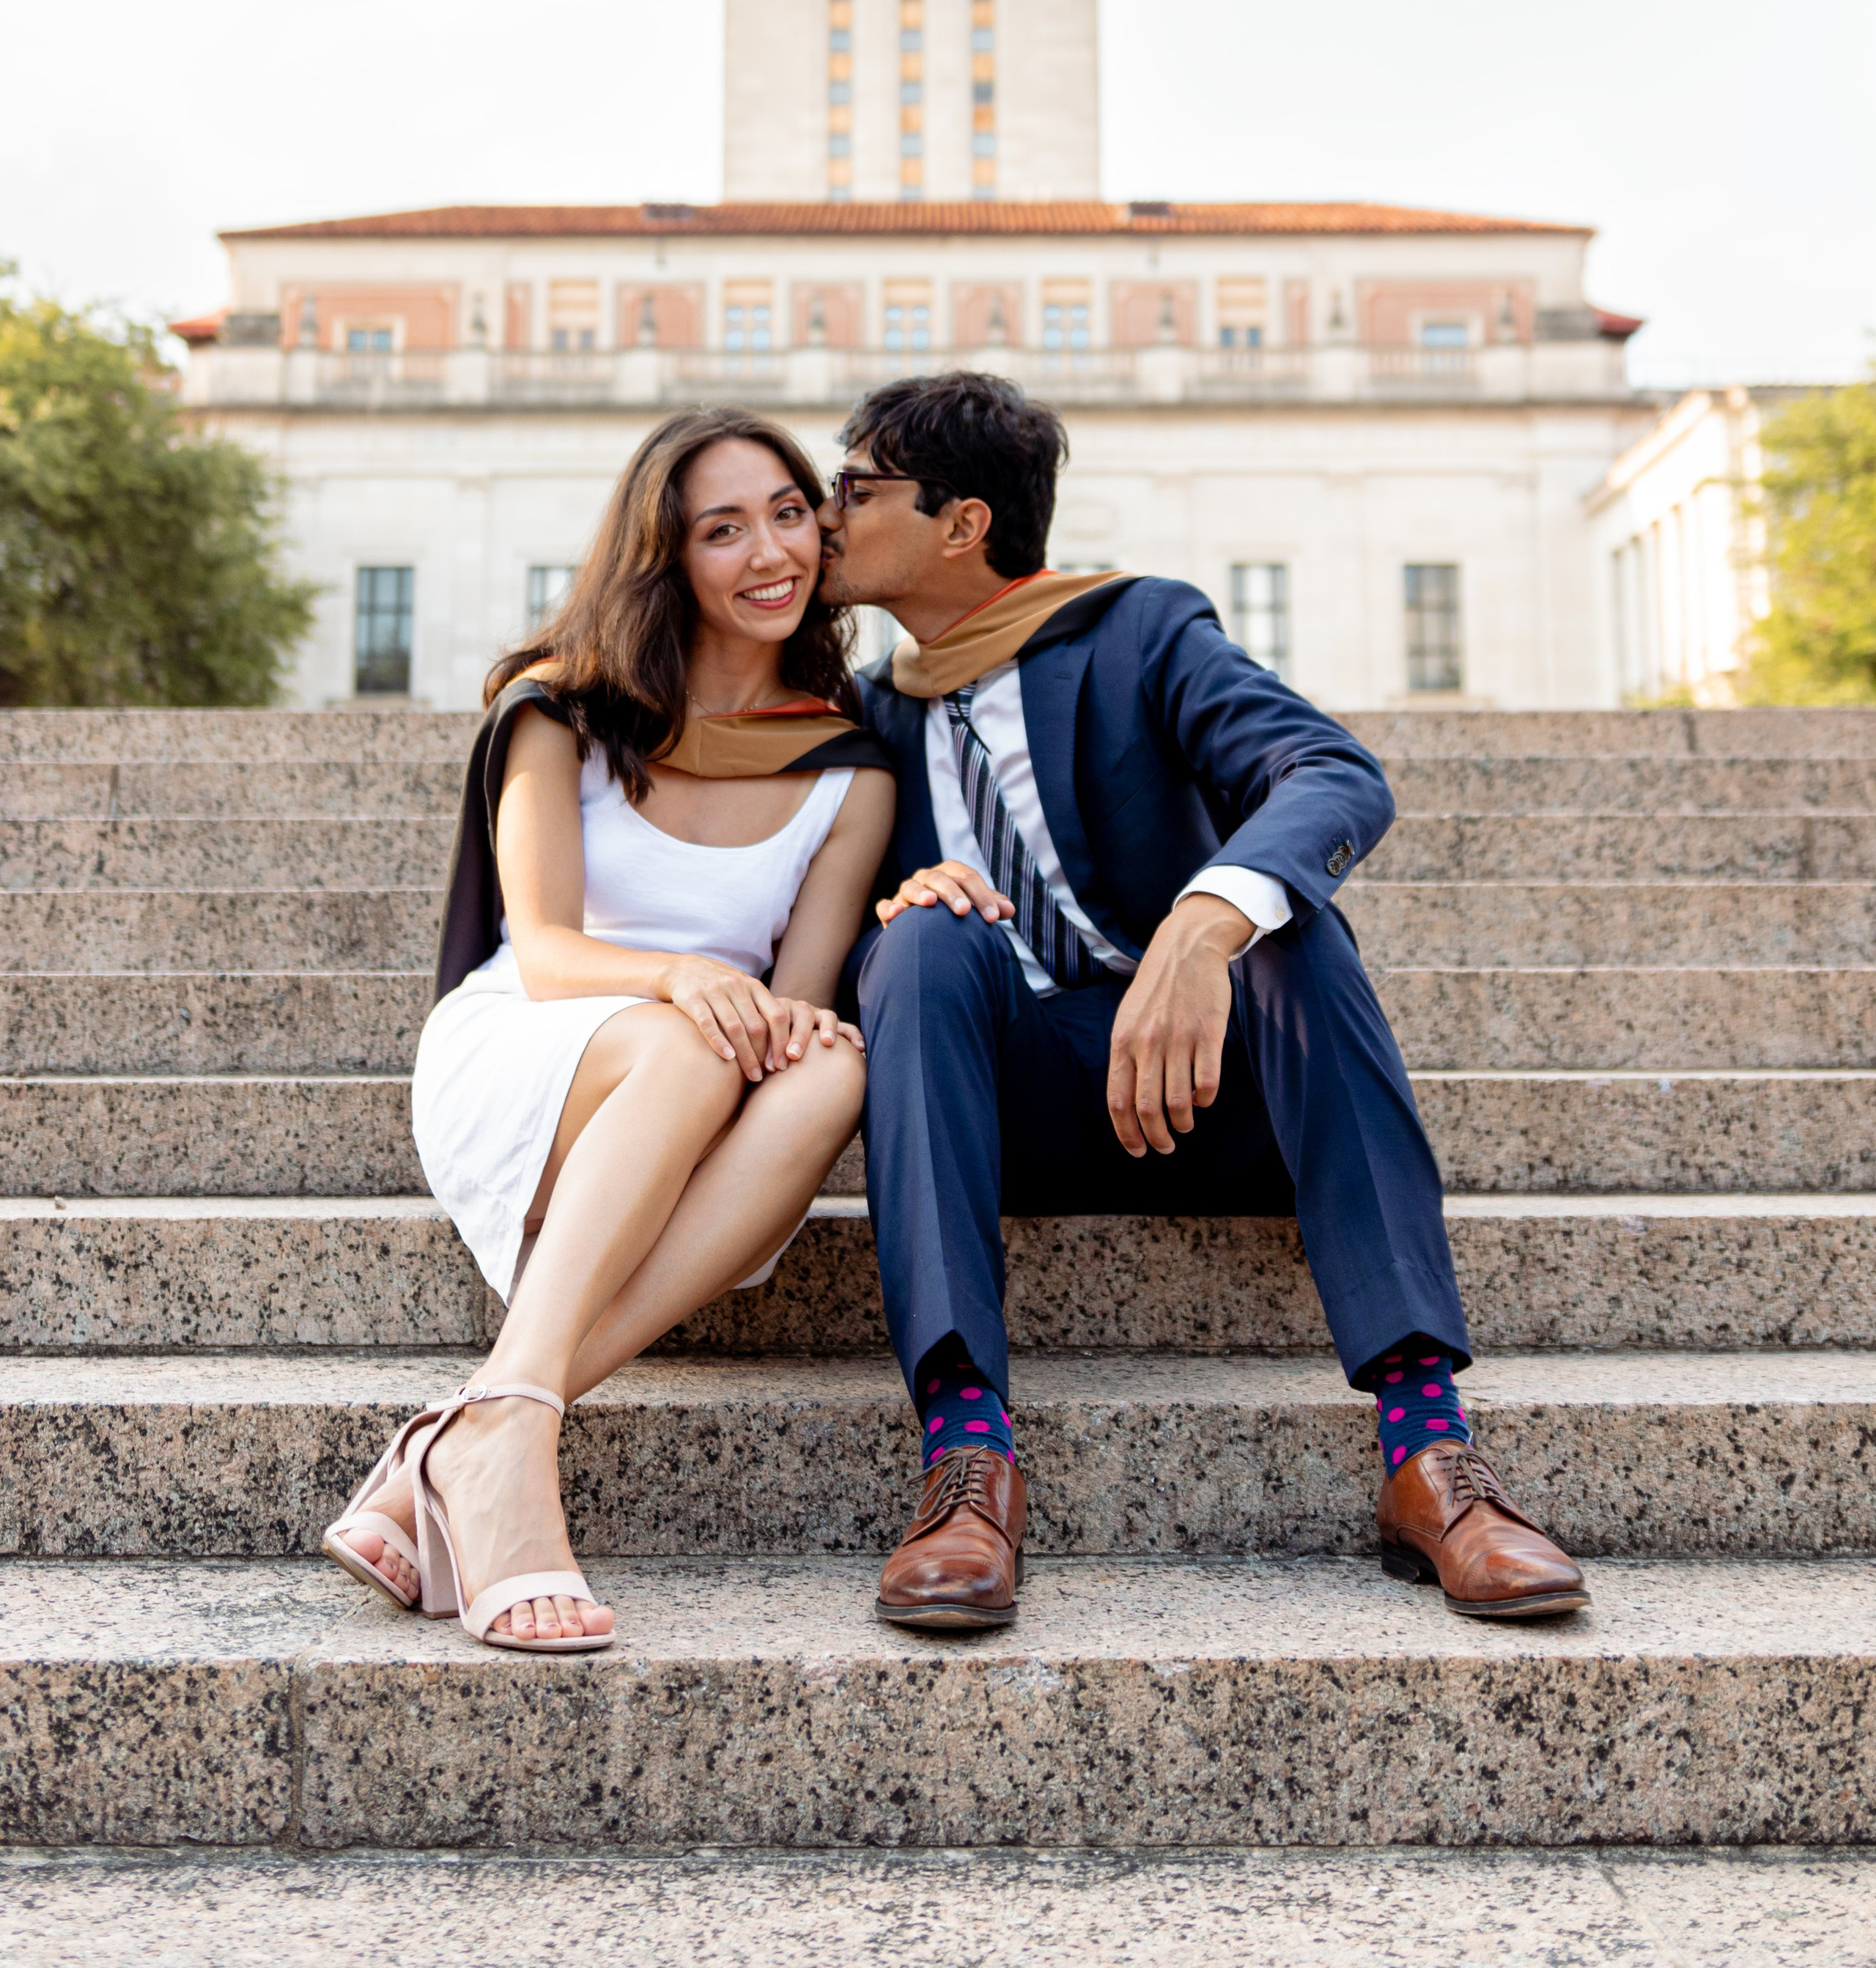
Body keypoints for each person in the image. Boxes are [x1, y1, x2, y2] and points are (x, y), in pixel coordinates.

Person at [816, 369, 1587, 1635]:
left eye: (857, 488)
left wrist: (1204, 920)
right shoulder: (860, 717)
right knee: (918, 940)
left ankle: (1429, 1454)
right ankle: (967, 1464)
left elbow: (1330, 771)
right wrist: (906, 902)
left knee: (1293, 927)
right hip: (1003, 1115)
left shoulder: (1138, 632)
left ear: (962, 524)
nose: (827, 514)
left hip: (1213, 1099)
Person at [321, 408, 893, 1652]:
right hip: (535, 1048)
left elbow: (797, 1001)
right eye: (723, 529)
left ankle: (482, 1423)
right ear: (666, 557)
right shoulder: (562, 714)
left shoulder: (849, 767)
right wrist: (682, 975)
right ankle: (508, 1449)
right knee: (683, 1035)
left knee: (835, 1066)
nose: (769, 553)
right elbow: (544, 949)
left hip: (696, 1121)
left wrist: (772, 1018)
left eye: (790, 514)